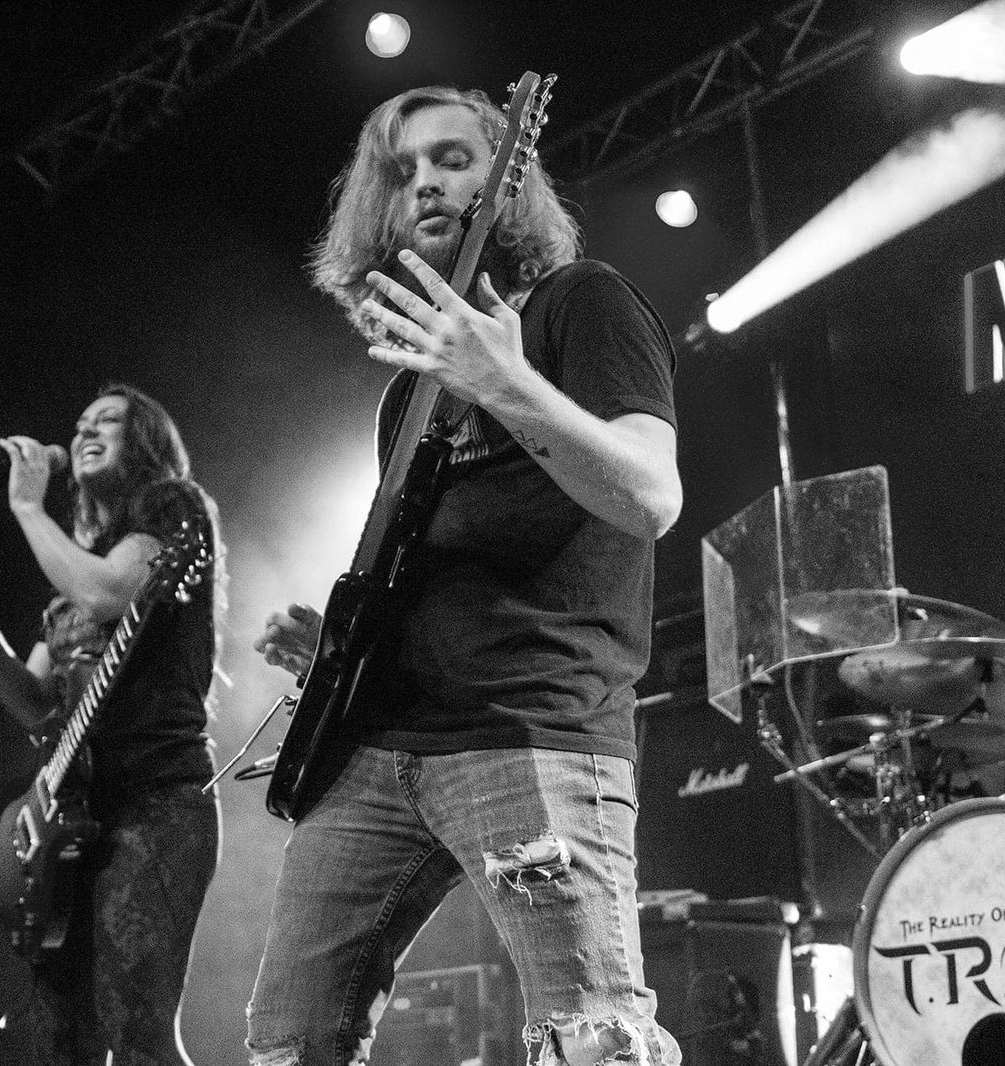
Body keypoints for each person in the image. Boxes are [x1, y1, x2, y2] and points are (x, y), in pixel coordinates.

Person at [248, 86, 683, 1066]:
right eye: (400, 172)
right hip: (379, 747)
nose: (425, 184)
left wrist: (504, 380)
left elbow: (650, 494)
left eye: (452, 159)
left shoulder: (583, 302)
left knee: (592, 1041)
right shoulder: (405, 393)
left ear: (506, 177)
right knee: (289, 1040)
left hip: (532, 728)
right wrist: (338, 646)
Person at [0, 383, 222, 1066]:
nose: (85, 431)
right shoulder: (65, 589)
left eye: (109, 421)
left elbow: (106, 591)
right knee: (60, 1038)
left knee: (137, 1031)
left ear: (146, 441)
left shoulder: (171, 507)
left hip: (153, 800)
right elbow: (38, 708)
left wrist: (25, 507)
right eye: (81, 423)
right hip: (72, 821)